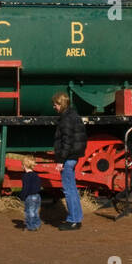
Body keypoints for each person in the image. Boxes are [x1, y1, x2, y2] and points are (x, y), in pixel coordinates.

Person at [51, 93, 87, 230]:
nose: (54, 107)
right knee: (72, 189)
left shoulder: (66, 119)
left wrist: (60, 160)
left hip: (68, 157)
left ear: (61, 104)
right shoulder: (74, 115)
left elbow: (66, 142)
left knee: (68, 189)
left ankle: (73, 220)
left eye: (55, 104)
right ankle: (77, 219)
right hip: (74, 156)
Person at [19, 156, 42, 231]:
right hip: (37, 196)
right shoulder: (36, 175)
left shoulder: (26, 176)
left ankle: (30, 226)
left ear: (24, 166)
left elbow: (26, 187)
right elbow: (39, 185)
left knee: (29, 212)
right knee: (35, 211)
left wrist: (22, 196)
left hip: (30, 196)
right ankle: (37, 224)